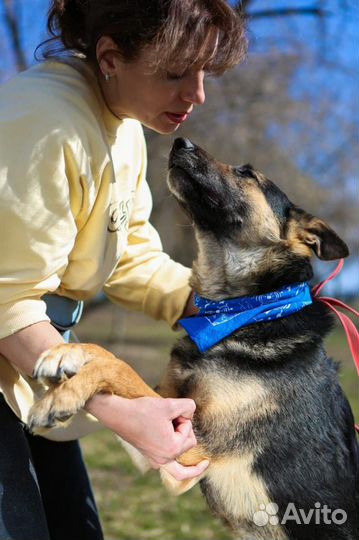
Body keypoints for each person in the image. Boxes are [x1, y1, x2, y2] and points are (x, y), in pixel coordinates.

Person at [0, 1, 247, 539]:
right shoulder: (43, 123)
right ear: (111, 55)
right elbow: (6, 301)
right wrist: (121, 409)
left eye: (203, 71)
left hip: (34, 364)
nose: (197, 94)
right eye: (176, 72)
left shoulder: (124, 123)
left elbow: (131, 255)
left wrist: (234, 310)